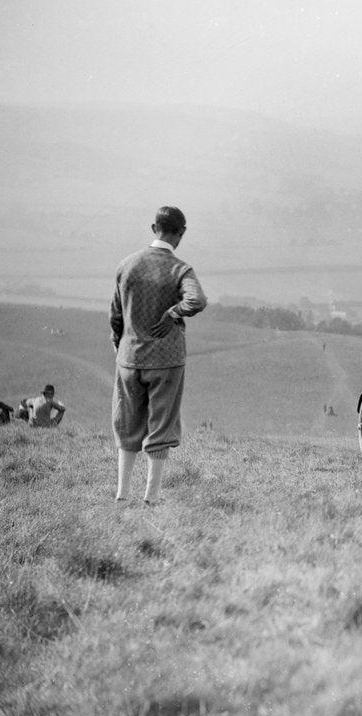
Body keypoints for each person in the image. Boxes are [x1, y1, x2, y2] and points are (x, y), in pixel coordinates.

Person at [110, 206, 207, 504]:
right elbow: (197, 300)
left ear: (154, 228)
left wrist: (121, 346)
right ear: (182, 232)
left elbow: (116, 317)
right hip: (166, 360)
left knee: (127, 423)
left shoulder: (127, 265)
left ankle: (122, 494)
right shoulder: (180, 269)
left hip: (129, 357)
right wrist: (173, 312)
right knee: (161, 424)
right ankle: (151, 497)